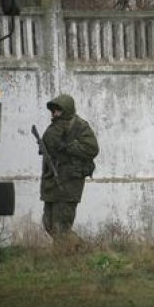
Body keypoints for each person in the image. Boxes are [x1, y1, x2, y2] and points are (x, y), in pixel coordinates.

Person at [39, 94, 99, 244]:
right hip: (52, 179)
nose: (54, 113)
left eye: (57, 110)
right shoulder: (54, 127)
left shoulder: (79, 125)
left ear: (66, 109)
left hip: (69, 180)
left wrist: (68, 147)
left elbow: (92, 148)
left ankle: (72, 253)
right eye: (52, 111)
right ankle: (76, 249)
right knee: (49, 223)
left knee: (61, 226)